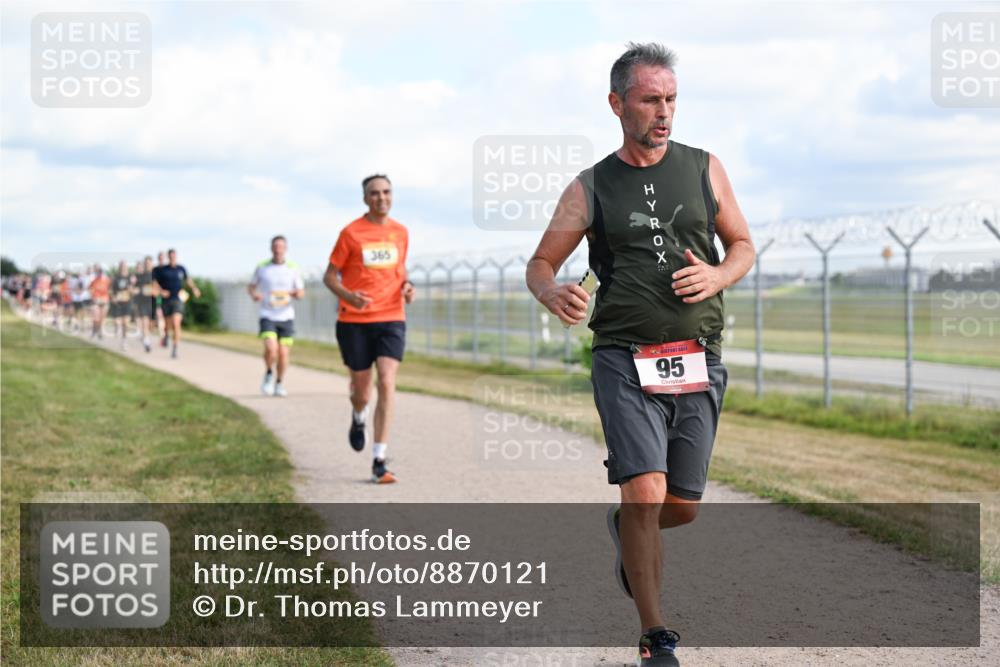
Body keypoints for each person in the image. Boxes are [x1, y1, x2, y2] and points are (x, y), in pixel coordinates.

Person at [525, 43, 755, 667]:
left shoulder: (705, 167)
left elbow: (742, 246)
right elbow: (540, 262)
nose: (664, 112)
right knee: (645, 493)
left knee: (679, 505)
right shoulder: (590, 186)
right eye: (651, 99)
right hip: (624, 357)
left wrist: (717, 277)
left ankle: (625, 530)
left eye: (672, 99)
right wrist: (552, 290)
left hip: (696, 356)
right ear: (616, 103)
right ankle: (657, 636)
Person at [324, 174, 416, 484]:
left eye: (386, 192)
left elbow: (399, 271)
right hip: (354, 322)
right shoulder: (350, 234)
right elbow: (329, 277)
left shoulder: (400, 233)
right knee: (362, 392)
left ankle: (379, 459)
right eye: (374, 193)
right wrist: (348, 295)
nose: (381, 198)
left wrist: (407, 287)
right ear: (365, 199)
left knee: (387, 382)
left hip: (391, 317)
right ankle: (358, 415)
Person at [248, 235, 305, 397]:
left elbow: (301, 292)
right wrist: (254, 295)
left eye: (281, 247)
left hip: (286, 316)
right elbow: (251, 287)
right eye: (275, 246)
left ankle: (279, 382)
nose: (278, 249)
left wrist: (292, 294)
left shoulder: (293, 267)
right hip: (267, 314)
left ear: (285, 249)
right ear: (271, 248)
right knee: (271, 349)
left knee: (283, 353)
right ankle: (268, 373)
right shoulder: (262, 267)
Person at [152, 249, 201, 359]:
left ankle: (175, 348)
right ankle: (166, 336)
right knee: (167, 325)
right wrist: (161, 291)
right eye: (171, 256)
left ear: (176, 257)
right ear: (168, 257)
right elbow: (154, 282)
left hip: (178, 299)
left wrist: (194, 289)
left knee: (176, 323)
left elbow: (188, 280)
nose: (173, 258)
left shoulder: (181, 269)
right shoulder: (162, 270)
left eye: (174, 256)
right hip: (166, 301)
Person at [133, 256, 156, 352]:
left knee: (152, 324)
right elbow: (136, 289)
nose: (147, 265)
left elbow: (159, 287)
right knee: (145, 322)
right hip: (143, 302)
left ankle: (145, 335)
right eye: (146, 263)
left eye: (149, 263)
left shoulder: (156, 274)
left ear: (152, 263)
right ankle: (147, 342)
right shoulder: (140, 276)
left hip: (154, 301)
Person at [110, 260, 133, 350]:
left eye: (124, 266)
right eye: (121, 266)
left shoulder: (130, 277)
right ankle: (117, 328)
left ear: (126, 267)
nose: (123, 268)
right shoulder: (115, 278)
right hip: (117, 303)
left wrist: (131, 290)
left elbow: (133, 289)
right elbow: (111, 290)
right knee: (117, 321)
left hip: (127, 302)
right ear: (119, 268)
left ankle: (124, 341)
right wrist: (113, 297)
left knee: (126, 323)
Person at [89, 265, 111, 339]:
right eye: (99, 272)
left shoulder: (107, 280)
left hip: (105, 301)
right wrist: (94, 298)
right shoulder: (94, 281)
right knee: (96, 318)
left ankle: (99, 331)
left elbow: (110, 290)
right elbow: (91, 290)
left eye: (101, 272)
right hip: (96, 301)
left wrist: (107, 297)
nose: (100, 273)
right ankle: (94, 329)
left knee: (102, 318)